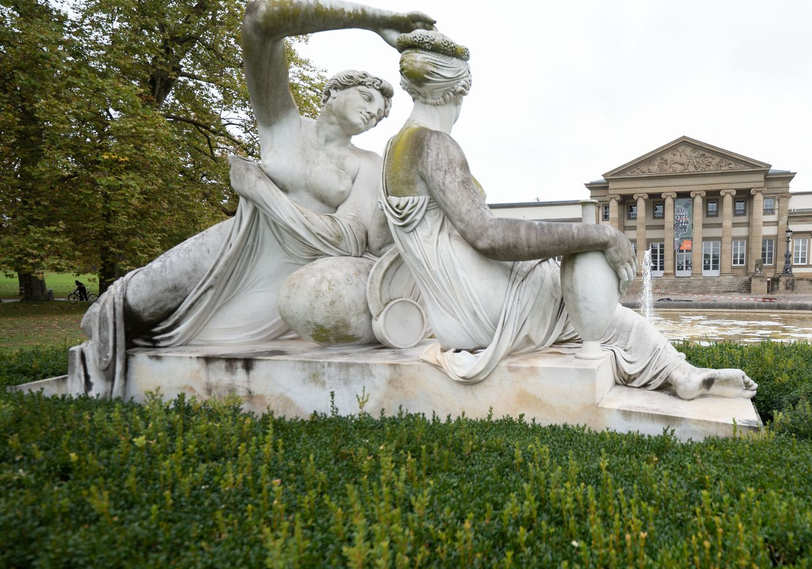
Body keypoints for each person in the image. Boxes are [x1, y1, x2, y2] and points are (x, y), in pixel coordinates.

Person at [68, 0, 434, 398]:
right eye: (367, 98)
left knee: (177, 334)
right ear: (332, 92)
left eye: (381, 114)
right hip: (237, 243)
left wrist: (263, 193)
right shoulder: (283, 124)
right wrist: (376, 20)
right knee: (118, 310)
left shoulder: (366, 163)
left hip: (287, 274)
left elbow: (348, 239)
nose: (374, 113)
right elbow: (259, 20)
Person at [377, 31, 756, 400]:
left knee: (581, 300)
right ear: (460, 89)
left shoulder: (394, 148)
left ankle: (674, 370)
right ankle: (677, 372)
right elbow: (487, 235)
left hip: (451, 317)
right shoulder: (434, 144)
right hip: (485, 310)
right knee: (591, 288)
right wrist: (603, 235)